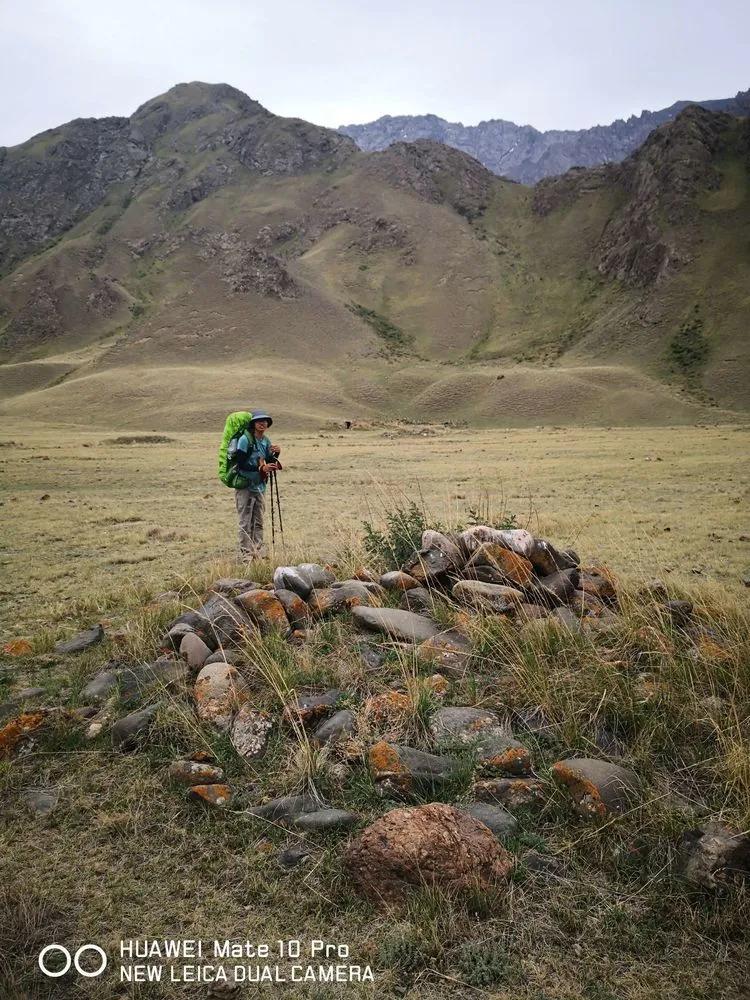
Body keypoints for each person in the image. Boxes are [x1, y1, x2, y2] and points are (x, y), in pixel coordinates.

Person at [233, 410, 281, 559]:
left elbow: (269, 460)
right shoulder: (244, 440)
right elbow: (240, 465)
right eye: (259, 421)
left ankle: (257, 552)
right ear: (253, 424)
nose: (263, 423)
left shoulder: (266, 440)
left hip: (260, 485)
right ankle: (246, 555)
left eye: (265, 421)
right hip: (245, 486)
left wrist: (276, 454)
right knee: (245, 521)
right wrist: (261, 468)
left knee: (259, 520)